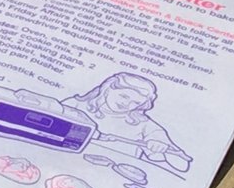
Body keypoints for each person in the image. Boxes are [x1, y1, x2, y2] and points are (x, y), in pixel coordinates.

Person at [61, 72, 192, 173]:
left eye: (136, 102)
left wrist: (161, 147)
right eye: (124, 96)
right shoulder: (75, 105)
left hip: (112, 178)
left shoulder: (144, 125)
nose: (126, 104)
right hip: (63, 166)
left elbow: (182, 165)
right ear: (107, 89)